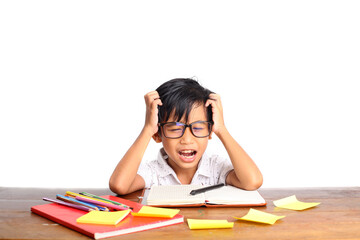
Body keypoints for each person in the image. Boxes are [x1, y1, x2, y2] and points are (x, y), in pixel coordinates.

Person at [109, 78, 263, 195]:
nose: (187, 140)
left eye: (198, 127)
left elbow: (253, 181)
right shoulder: (153, 172)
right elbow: (119, 185)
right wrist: (148, 129)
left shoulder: (215, 168)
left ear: (209, 131)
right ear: (158, 134)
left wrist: (221, 129)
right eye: (175, 128)